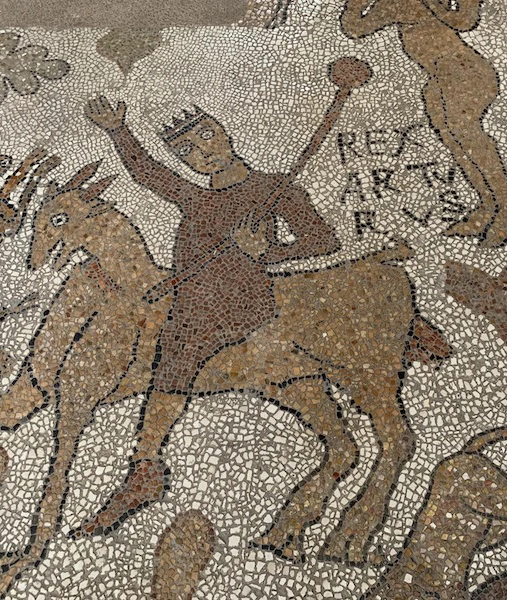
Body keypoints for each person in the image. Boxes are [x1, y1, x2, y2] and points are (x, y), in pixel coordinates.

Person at [75, 96, 340, 536]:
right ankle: (145, 465)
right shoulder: (196, 197)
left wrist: (269, 253)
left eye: (207, 134)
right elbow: (147, 174)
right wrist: (118, 130)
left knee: (176, 351)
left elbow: (323, 240)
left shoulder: (273, 189)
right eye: (188, 152)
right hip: (189, 296)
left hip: (237, 303)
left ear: (222, 128)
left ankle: (145, 466)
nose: (204, 151)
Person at [341, 0, 507, 247]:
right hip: (438, 78)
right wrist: (356, 5)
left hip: (465, 71)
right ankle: (488, 204)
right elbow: (356, 28)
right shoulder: (394, 4)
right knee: (457, 144)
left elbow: (466, 21)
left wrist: (434, 6)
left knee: (467, 135)